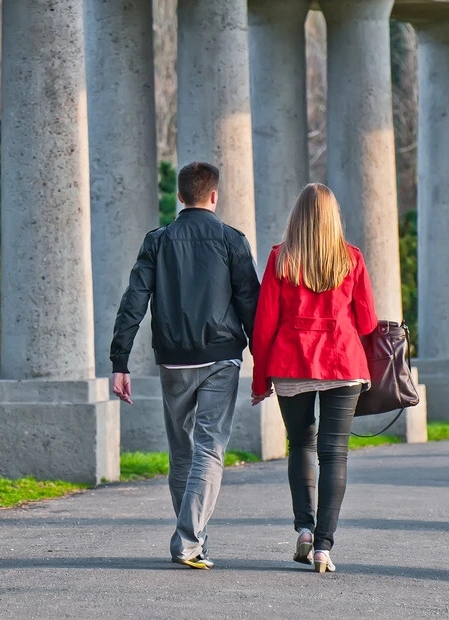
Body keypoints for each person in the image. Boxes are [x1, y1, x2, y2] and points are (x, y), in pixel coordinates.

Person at [110, 161, 260, 570]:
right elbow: (251, 305)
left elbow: (133, 302)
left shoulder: (157, 241)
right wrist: (263, 361)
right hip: (221, 357)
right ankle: (189, 540)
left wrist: (119, 361)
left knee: (182, 453)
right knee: (209, 448)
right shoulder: (232, 240)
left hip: (173, 360)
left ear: (180, 196)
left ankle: (193, 538)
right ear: (215, 195)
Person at [250, 183, 378, 573]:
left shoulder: (279, 260)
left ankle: (304, 528)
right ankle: (323, 547)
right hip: (341, 363)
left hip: (292, 364)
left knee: (301, 445)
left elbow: (263, 327)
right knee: (333, 453)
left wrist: (259, 381)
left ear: (298, 217)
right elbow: (369, 321)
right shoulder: (351, 259)